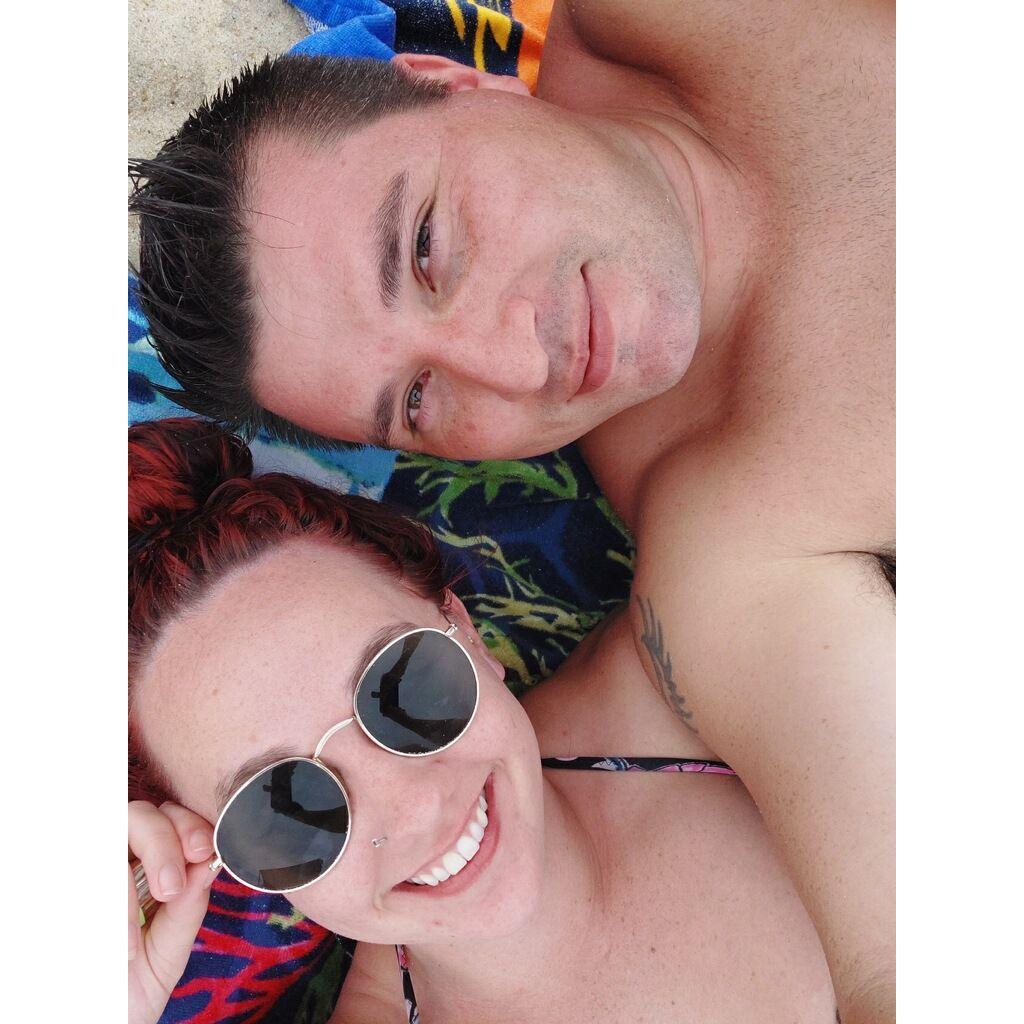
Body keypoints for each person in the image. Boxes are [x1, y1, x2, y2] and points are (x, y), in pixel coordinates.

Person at [129, 4, 895, 1020]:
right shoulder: (733, 565)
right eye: (418, 400)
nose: (513, 360)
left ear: (453, 79)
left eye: (426, 248)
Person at [128, 417, 838, 1024]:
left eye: (403, 685)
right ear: (212, 856)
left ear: (464, 630)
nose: (415, 808)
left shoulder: (688, 672)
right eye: (281, 806)